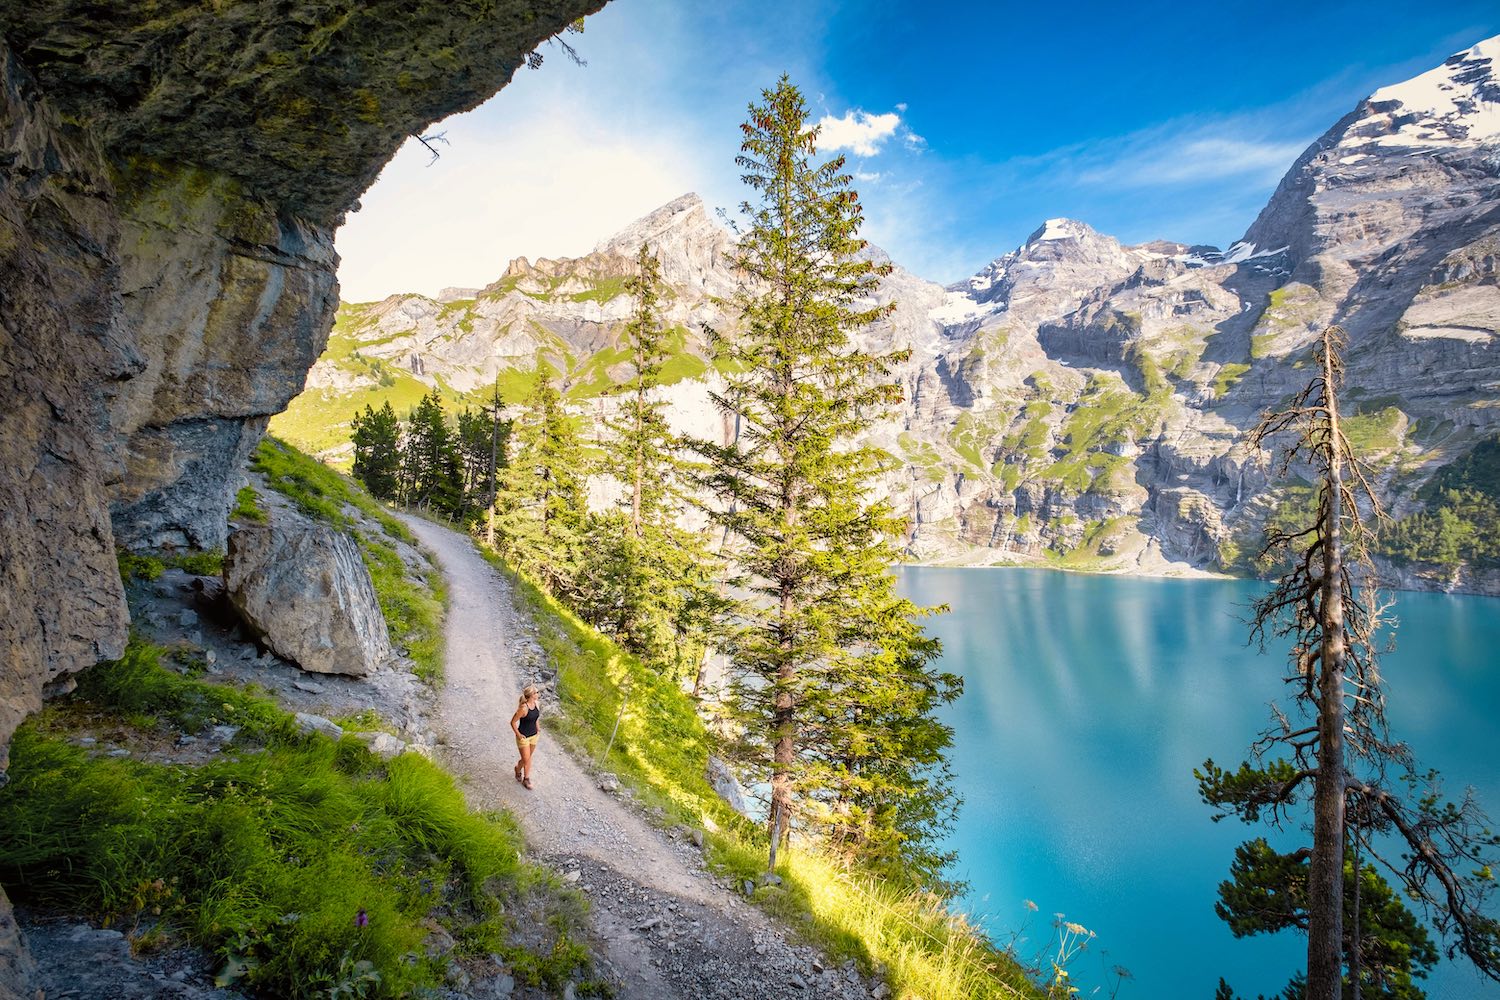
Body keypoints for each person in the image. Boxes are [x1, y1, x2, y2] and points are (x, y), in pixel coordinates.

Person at [510, 684, 542, 790]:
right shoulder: (523, 708)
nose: (538, 694)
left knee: (526, 759)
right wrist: (518, 735)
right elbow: (513, 722)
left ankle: (517, 769)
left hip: (534, 736)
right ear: (532, 695)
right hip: (524, 737)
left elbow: (536, 718)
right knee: (527, 759)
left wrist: (538, 729)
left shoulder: (537, 704)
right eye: (536, 692)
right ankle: (526, 779)